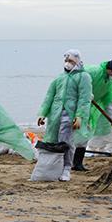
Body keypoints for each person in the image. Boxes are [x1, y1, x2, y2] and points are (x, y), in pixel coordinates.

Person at [37, 49, 92, 182]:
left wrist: (79, 116)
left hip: (70, 114)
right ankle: (55, 167)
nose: (68, 63)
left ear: (77, 61)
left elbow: (84, 99)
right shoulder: (59, 77)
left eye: (71, 61)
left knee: (66, 141)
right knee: (53, 139)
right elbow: (49, 96)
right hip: (55, 114)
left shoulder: (83, 77)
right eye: (66, 61)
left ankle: (67, 168)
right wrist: (43, 113)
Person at [73, 59, 112, 170]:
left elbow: (108, 101)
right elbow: (77, 78)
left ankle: (77, 163)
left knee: (84, 133)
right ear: (108, 68)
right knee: (73, 131)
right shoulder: (94, 71)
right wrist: (86, 93)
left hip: (89, 106)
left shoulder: (110, 81)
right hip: (76, 102)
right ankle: (70, 160)